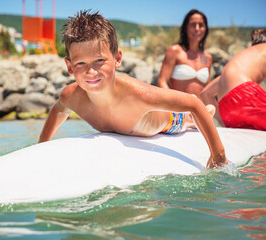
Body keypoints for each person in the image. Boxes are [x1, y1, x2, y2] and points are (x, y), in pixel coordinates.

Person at [38, 10, 227, 168]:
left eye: (99, 60)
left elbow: (193, 102)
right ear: (69, 67)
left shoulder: (137, 94)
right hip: (135, 124)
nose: (91, 71)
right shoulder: (72, 96)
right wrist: (41, 146)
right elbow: (59, 109)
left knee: (184, 119)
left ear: (117, 59)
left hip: (166, 121)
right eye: (80, 63)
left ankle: (194, 119)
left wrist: (218, 156)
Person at [200, 29, 266, 130]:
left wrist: (222, 121)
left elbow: (205, 93)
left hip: (226, 110)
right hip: (246, 95)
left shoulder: (241, 62)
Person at [157, 9, 212, 99]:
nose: (197, 28)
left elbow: (207, 90)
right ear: (186, 28)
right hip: (178, 109)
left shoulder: (208, 57)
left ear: (205, 29)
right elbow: (162, 81)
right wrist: (174, 104)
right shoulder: (175, 51)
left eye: (201, 25)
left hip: (201, 109)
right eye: (193, 25)